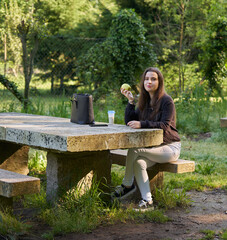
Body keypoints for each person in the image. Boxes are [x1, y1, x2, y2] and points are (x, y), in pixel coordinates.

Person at [112, 67, 181, 211]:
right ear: (143, 82)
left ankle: (127, 185)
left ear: (159, 82)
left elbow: (164, 125)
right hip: (153, 149)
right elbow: (130, 122)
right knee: (139, 163)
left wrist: (142, 124)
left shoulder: (166, 101)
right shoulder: (144, 101)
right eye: (147, 79)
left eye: (153, 79)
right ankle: (147, 201)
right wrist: (131, 102)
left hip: (170, 147)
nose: (149, 81)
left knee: (135, 150)